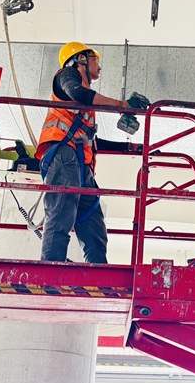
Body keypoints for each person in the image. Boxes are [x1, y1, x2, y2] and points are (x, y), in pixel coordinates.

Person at [37, 41, 149, 264]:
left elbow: (90, 139)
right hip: (63, 155)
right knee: (61, 214)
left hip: (80, 165)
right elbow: (79, 93)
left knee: (93, 224)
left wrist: (132, 148)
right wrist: (123, 105)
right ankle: (49, 268)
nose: (99, 65)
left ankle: (98, 272)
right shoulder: (67, 76)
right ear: (80, 58)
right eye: (95, 59)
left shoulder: (84, 105)